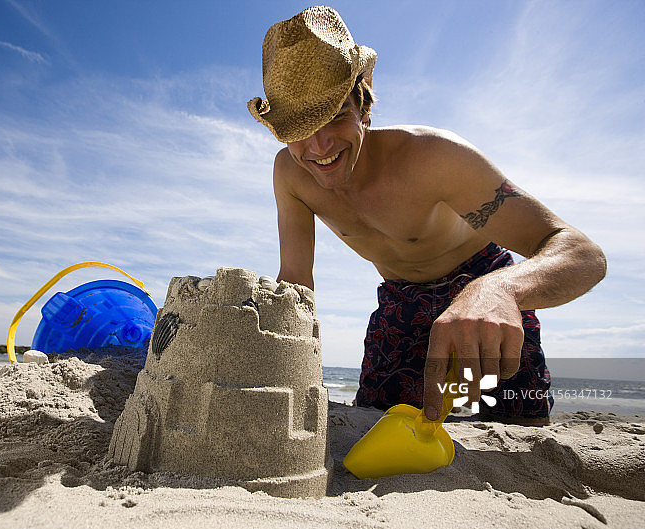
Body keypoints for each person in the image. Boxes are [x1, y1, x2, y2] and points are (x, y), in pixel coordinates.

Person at [248, 6, 606, 425]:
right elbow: (295, 283)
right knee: (376, 426)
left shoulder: (434, 157)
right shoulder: (290, 174)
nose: (320, 144)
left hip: (483, 289)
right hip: (399, 303)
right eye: (299, 126)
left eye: (336, 115)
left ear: (363, 107)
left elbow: (583, 254)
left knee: (515, 424)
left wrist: (500, 291)